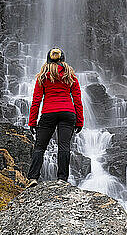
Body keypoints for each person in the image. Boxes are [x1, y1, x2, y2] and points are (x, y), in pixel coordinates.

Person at [26, 47, 84, 187]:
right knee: (64, 146)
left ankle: (33, 178)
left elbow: (36, 101)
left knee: (40, 147)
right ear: (63, 59)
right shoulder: (70, 76)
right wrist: (80, 121)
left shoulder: (43, 77)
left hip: (48, 112)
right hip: (68, 113)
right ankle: (62, 179)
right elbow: (77, 100)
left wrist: (32, 122)